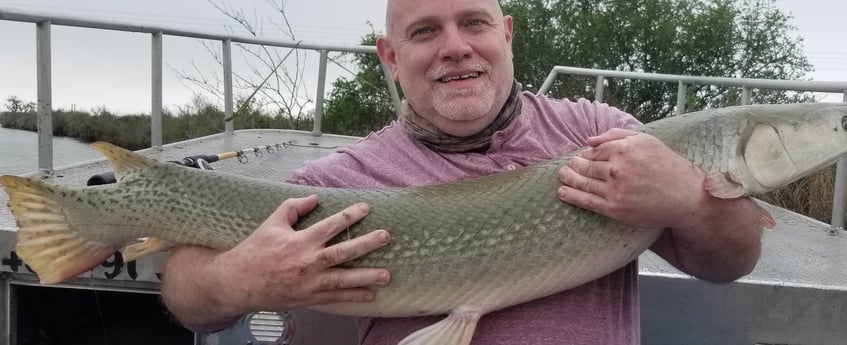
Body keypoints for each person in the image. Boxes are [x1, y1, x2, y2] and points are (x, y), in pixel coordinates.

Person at [160, 0, 764, 343]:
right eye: (425, 31)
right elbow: (188, 288)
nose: (455, 47)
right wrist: (236, 281)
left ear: (506, 35)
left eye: (474, 22)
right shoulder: (339, 179)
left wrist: (693, 201)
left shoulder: (607, 134)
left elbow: (729, 264)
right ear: (391, 57)